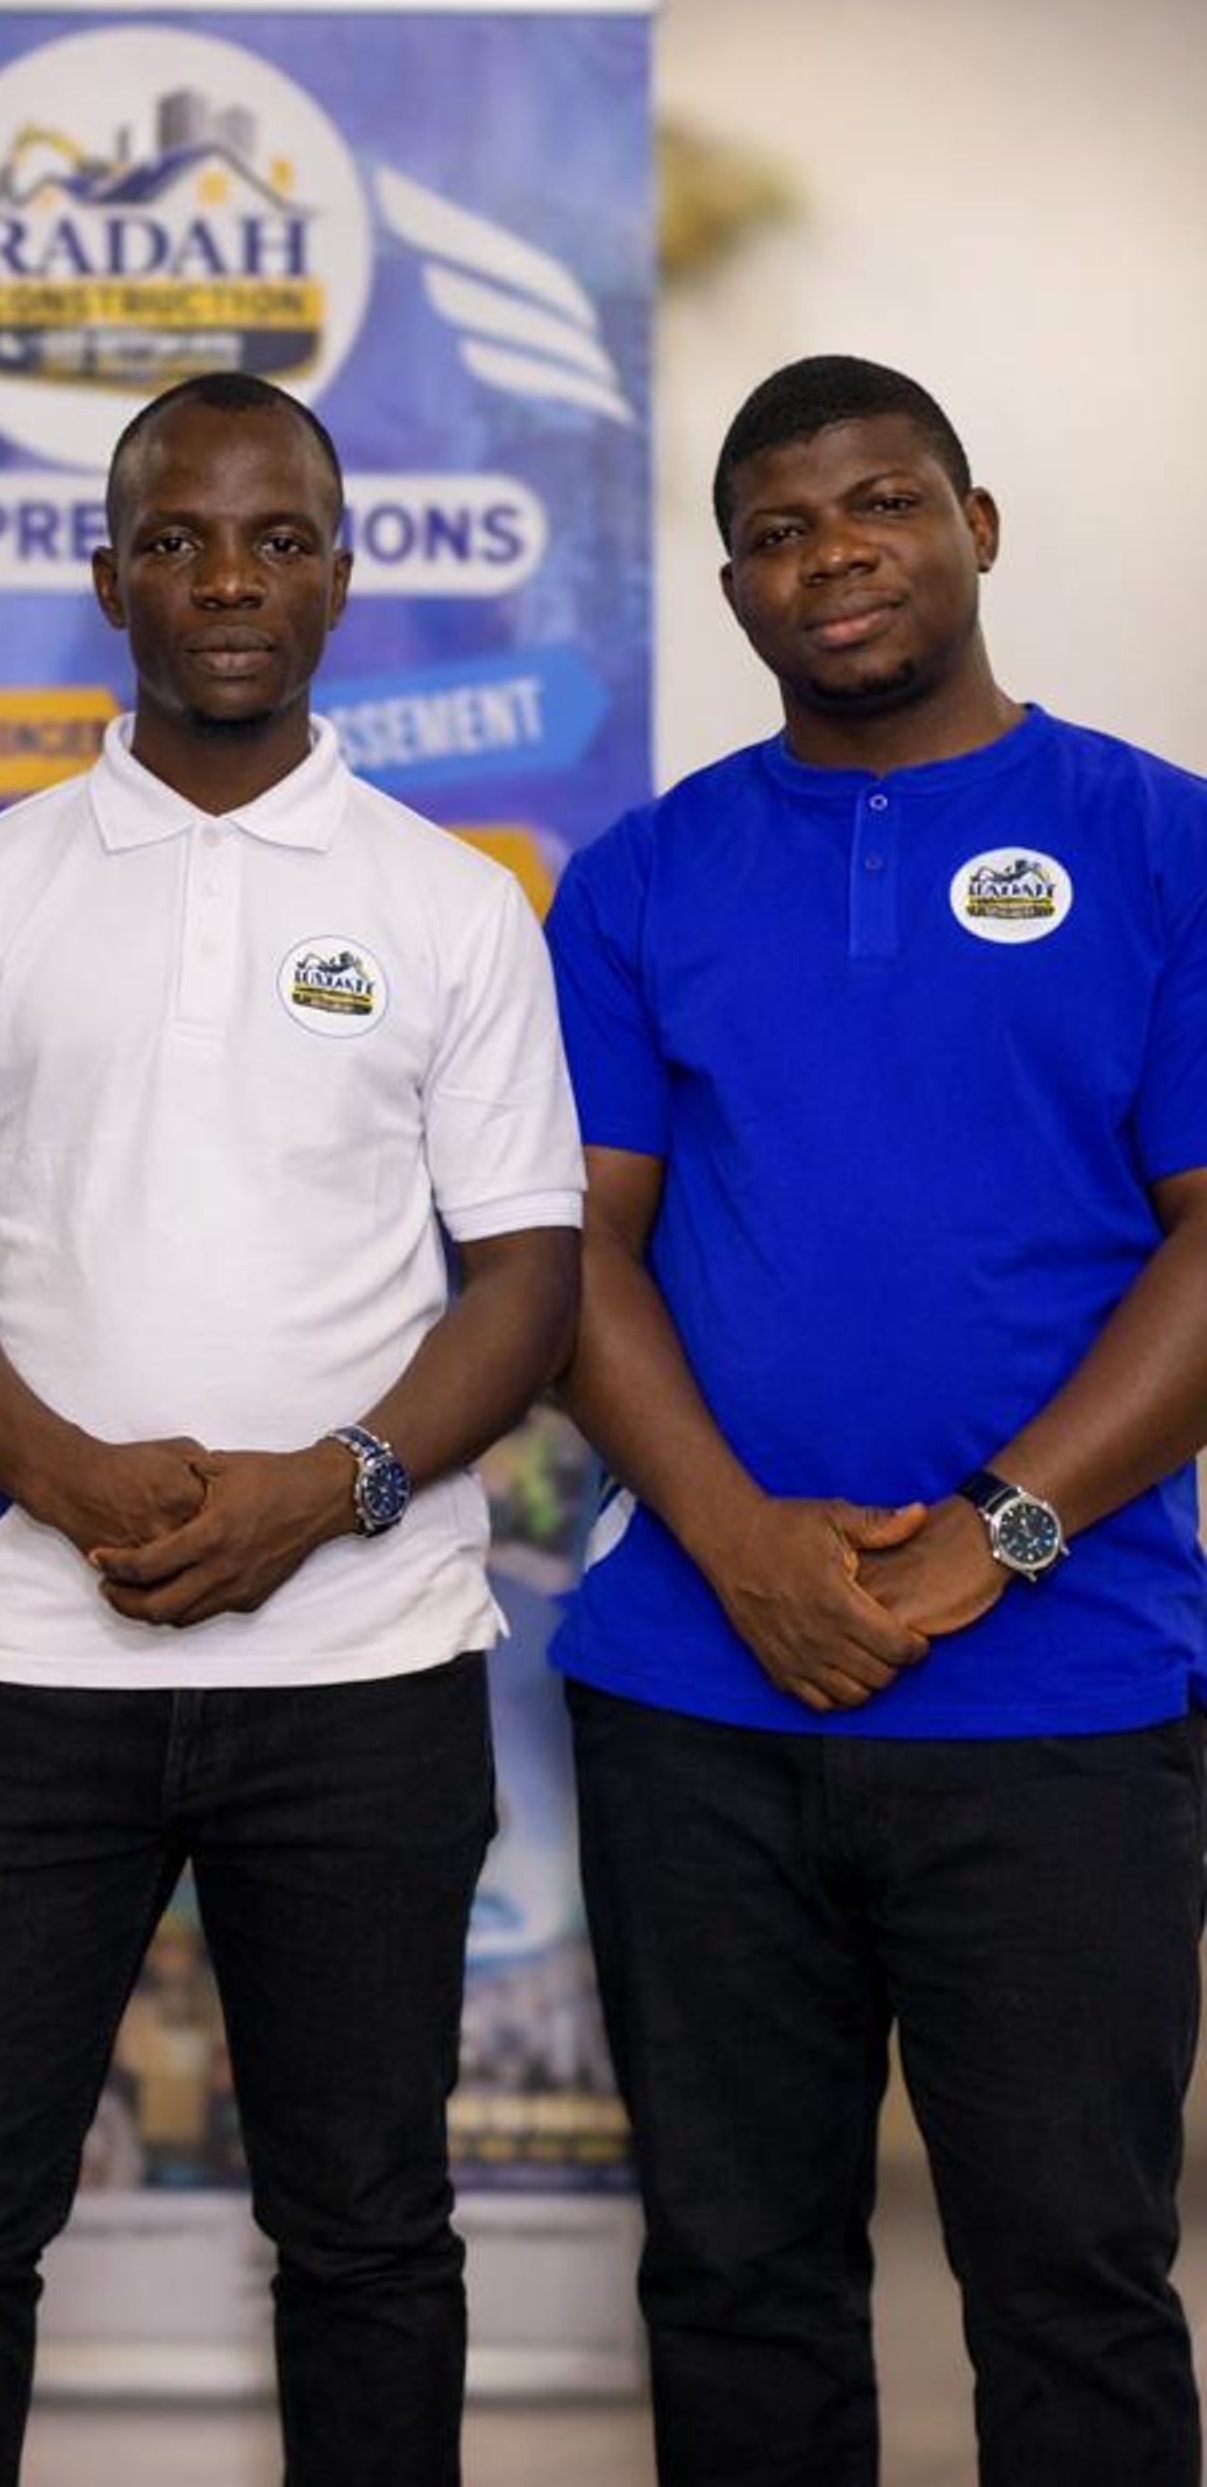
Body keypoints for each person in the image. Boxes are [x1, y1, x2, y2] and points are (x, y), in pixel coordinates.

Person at [0, 369, 584, 2487]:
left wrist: (326, 1494)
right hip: (23, 1669)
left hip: (363, 1670)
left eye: (274, 540)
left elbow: (528, 1280)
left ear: (339, 576)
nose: (228, 580)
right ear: (108, 582)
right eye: (176, 541)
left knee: (366, 2232)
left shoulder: (452, 905)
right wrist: (66, 1483)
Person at [545, 353, 1207, 2487]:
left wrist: (990, 1541)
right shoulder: (641, 878)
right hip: (699, 1698)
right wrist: (745, 1548)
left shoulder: (1162, 841)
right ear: (733, 584)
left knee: (1076, 2289)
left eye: (883, 504)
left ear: (978, 525)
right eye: (777, 529)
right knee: (737, 2286)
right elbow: (571, 1251)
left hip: (1067, 1700)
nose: (833, 555)